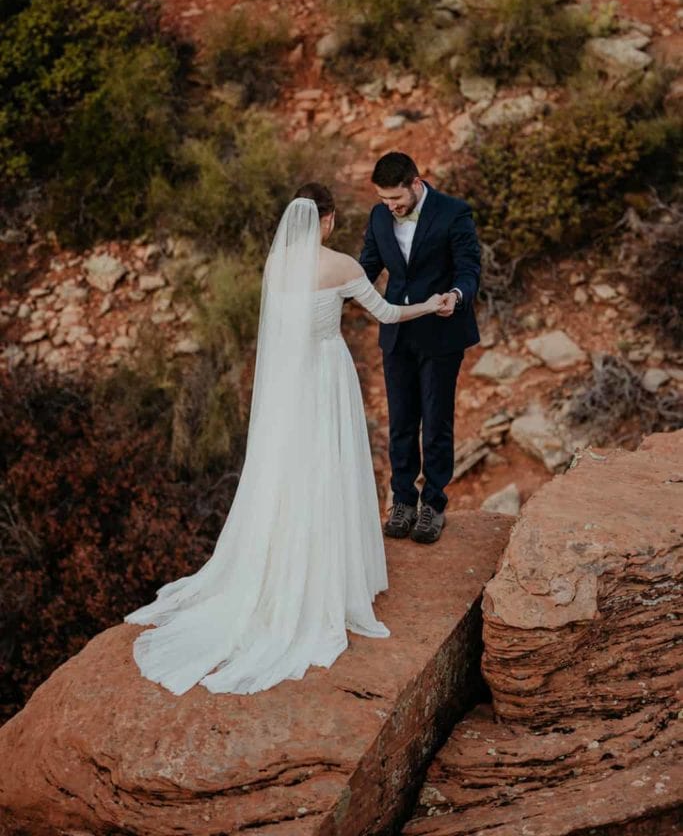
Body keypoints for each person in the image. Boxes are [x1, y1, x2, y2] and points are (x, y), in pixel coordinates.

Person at [124, 184, 448, 696]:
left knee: (289, 468)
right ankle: (328, 578)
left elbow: (277, 331)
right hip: (326, 374)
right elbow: (386, 313)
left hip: (286, 386)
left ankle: (280, 566)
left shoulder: (276, 266)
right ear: (328, 219)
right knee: (328, 465)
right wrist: (431, 304)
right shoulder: (341, 266)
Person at [360, 152, 481, 545]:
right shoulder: (379, 217)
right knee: (401, 421)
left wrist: (457, 295)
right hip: (396, 331)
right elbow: (367, 268)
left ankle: (434, 504)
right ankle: (403, 501)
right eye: (383, 199)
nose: (390, 207)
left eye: (395, 198)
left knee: (436, 420)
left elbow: (469, 268)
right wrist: (331, 290)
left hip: (442, 331)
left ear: (416, 183)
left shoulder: (454, 212)